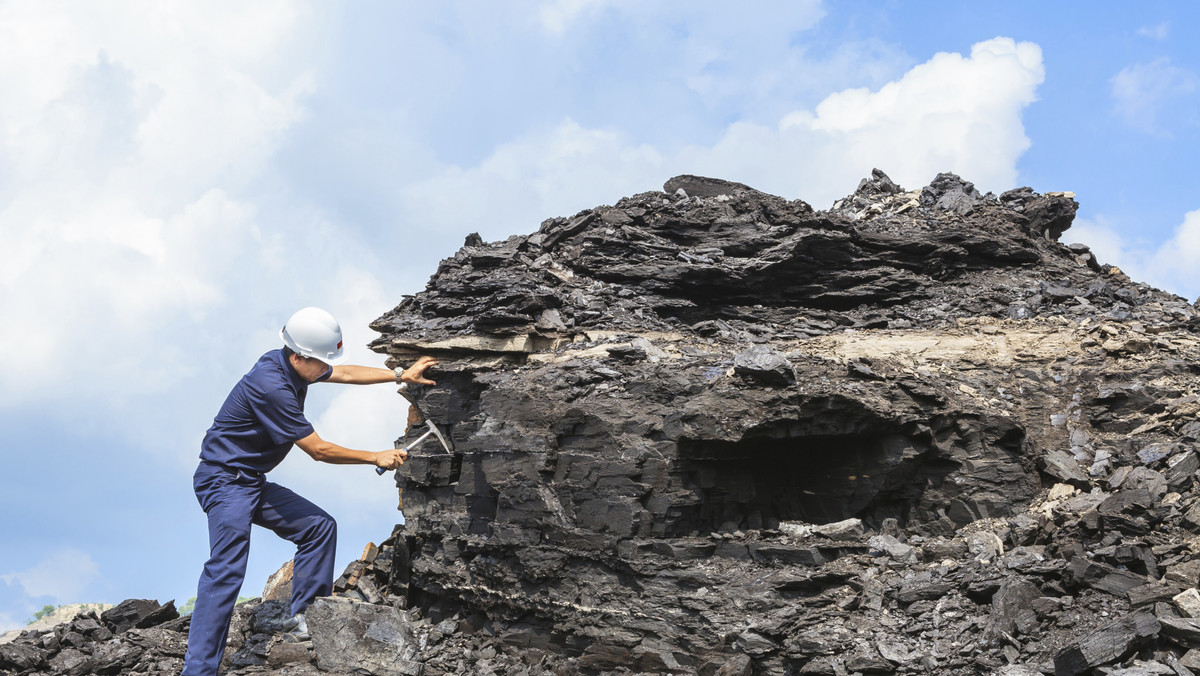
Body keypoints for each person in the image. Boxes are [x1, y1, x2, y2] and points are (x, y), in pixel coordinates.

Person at [182, 307, 438, 676]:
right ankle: (198, 671)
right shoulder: (271, 386)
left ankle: (305, 620)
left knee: (319, 527)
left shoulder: (296, 363)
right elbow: (318, 451)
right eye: (320, 363)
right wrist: (374, 456)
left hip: (250, 479)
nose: (324, 369)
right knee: (226, 571)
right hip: (223, 481)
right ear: (299, 355)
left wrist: (399, 374)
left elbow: (345, 372)